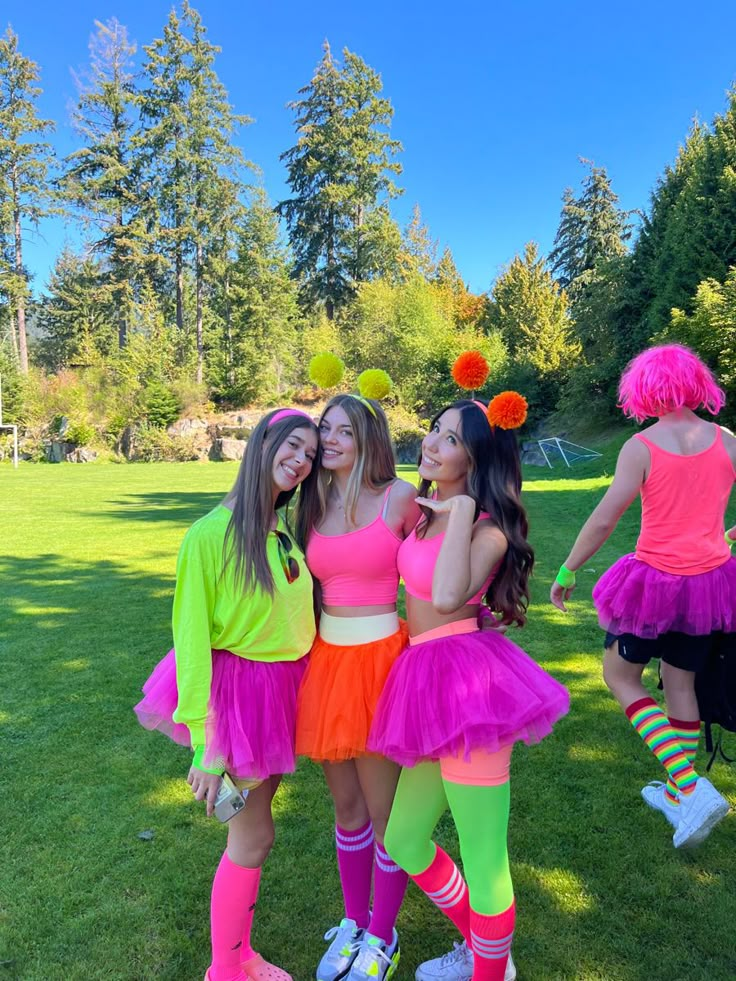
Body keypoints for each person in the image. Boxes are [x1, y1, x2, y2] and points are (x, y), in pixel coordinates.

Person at [368, 396, 570, 981]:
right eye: (433, 430)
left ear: (475, 458)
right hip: (422, 681)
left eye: (450, 439)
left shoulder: (487, 532)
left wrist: (459, 513)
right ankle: (487, 950)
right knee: (404, 838)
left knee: (484, 858)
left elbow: (451, 595)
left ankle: (489, 970)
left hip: (471, 689)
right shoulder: (424, 513)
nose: (430, 443)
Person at [135, 408, 320, 981]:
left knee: (257, 829)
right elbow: (191, 645)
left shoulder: (279, 527)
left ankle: (238, 955)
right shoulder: (210, 535)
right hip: (241, 699)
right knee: (251, 834)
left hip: (284, 689)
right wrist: (206, 748)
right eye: (292, 446)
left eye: (310, 455)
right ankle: (227, 967)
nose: (301, 461)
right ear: (262, 444)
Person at [550, 344, 736, 848]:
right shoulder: (728, 440)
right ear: (698, 384)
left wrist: (568, 570)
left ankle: (693, 788)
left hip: (655, 582)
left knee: (618, 676)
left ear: (646, 389)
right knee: (681, 686)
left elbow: (606, 517)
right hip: (711, 584)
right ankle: (681, 794)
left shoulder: (643, 446)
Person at [294, 393, 420, 981]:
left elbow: (432, 568)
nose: (332, 439)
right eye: (326, 429)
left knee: (383, 809)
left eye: (345, 430)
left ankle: (384, 934)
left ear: (370, 437)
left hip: (383, 664)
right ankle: (354, 921)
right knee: (347, 809)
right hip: (328, 664)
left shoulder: (399, 497)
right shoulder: (311, 504)